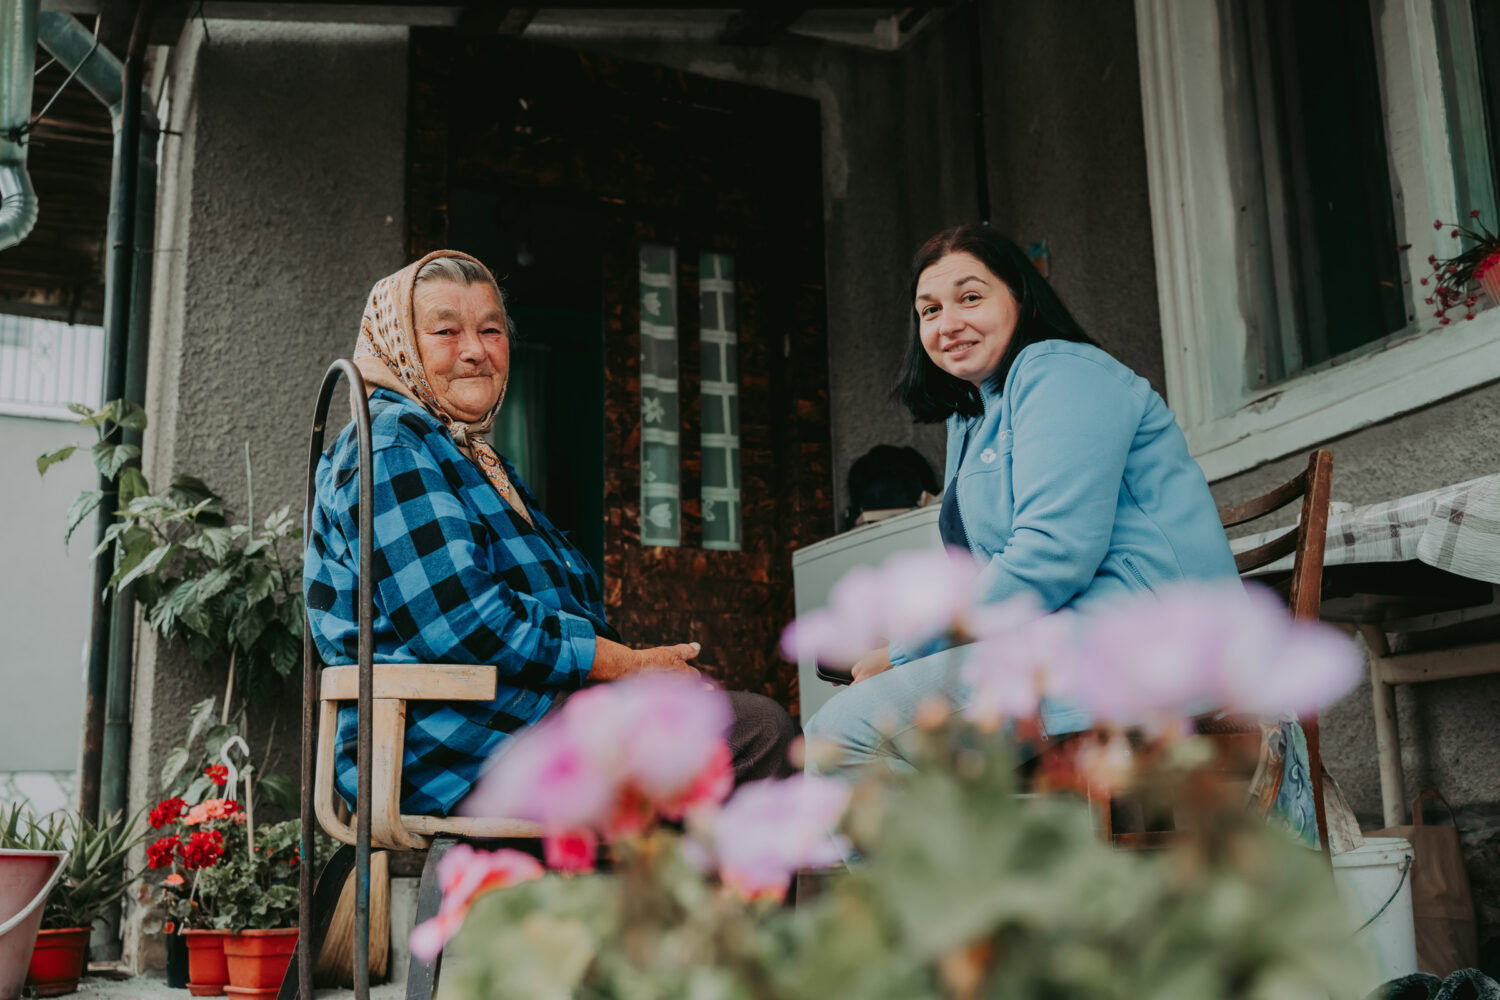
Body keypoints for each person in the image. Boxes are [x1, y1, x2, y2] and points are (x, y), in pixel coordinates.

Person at [305, 250, 796, 816]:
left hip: (512, 721)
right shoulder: (394, 442)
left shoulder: (464, 452)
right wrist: (628, 667)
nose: (474, 350)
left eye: (491, 329)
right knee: (758, 733)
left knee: (713, 724)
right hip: (456, 746)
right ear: (399, 344)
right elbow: (459, 621)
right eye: (446, 330)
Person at [804, 223, 1240, 772]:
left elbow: (1052, 555)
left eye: (969, 297)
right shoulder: (974, 413)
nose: (949, 323)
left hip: (1136, 647)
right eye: (929, 310)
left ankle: (940, 860)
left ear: (1021, 296)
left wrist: (902, 653)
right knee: (881, 735)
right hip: (1059, 647)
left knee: (844, 735)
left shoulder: (1060, 370)